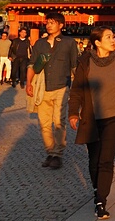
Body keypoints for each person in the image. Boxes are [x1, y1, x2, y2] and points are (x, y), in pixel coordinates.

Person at [68, 27, 115, 220]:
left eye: (113, 37)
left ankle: (101, 200)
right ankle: (97, 189)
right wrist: (73, 113)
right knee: (94, 160)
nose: (113, 40)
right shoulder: (85, 62)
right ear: (97, 42)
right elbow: (76, 91)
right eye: (108, 37)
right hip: (92, 118)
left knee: (106, 160)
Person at [26, 12, 79, 170]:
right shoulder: (39, 44)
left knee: (58, 121)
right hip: (43, 87)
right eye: (48, 22)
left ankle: (57, 154)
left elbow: (75, 65)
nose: (49, 25)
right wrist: (28, 83)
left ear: (61, 25)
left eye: (53, 22)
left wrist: (78, 88)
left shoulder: (69, 43)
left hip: (61, 86)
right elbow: (31, 64)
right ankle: (50, 151)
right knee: (44, 123)